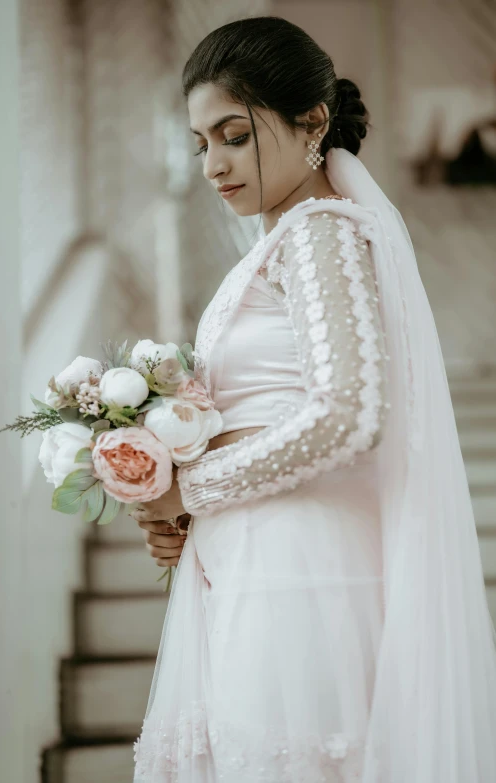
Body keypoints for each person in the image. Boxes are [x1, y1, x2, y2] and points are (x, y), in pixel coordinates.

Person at [130, 16, 496, 783]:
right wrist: (179, 501)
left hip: (301, 575)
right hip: (260, 562)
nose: (212, 165)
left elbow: (348, 415)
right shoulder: (283, 241)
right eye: (201, 144)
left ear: (312, 123)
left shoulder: (318, 234)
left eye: (233, 134)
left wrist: (189, 488)